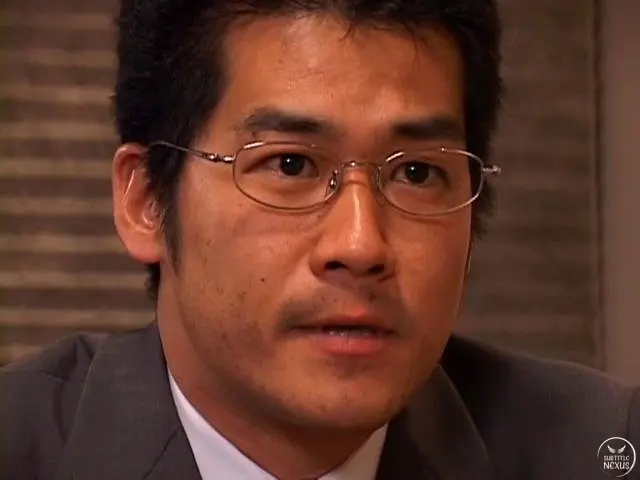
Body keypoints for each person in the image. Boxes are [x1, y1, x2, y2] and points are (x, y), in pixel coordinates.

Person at [1, 0, 638, 479]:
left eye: (418, 173)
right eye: (290, 165)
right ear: (145, 201)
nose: (361, 245)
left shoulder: (600, 449)